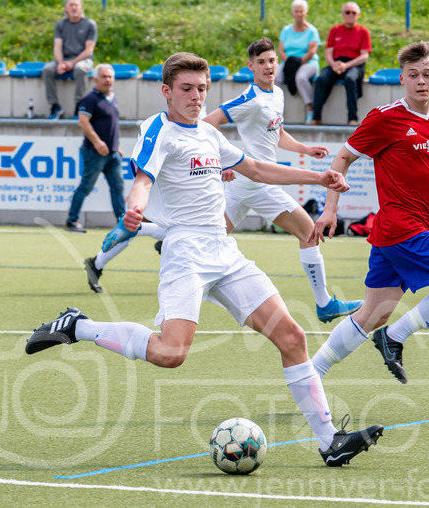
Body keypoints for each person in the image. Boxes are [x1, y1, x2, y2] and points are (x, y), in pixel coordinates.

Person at [27, 52, 384, 467]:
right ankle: (78, 326)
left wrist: (317, 176)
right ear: (166, 92)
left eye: (201, 89)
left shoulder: (208, 134)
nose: (196, 97)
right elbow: (142, 180)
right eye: (186, 89)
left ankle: (330, 442)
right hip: (186, 254)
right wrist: (134, 207)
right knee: (170, 353)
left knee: (292, 338)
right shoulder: (158, 131)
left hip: (224, 252)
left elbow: (255, 168)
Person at [84, 41, 364, 326]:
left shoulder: (277, 94)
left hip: (258, 181)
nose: (268, 66)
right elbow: (209, 121)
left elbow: (273, 139)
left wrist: (305, 154)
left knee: (203, 228)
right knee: (200, 229)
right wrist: (217, 162)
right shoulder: (248, 99)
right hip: (248, 183)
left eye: (272, 61)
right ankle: (324, 303)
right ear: (250, 66)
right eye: (262, 61)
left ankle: (117, 245)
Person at [307, 41, 429, 387]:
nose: (421, 81)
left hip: (398, 232)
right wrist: (330, 209)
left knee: (373, 313)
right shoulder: (385, 119)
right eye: (413, 75)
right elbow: (342, 158)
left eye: (427, 75)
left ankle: (311, 373)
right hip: (404, 230)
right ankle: (394, 337)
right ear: (402, 79)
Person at [65, 64, 124, 233]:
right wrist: (97, 142)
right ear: (96, 79)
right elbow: (83, 122)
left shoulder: (112, 98)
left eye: (110, 77)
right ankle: (72, 220)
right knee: (86, 186)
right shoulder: (90, 99)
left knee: (117, 187)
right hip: (94, 152)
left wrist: (116, 145)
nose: (108, 80)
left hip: (112, 153)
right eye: (104, 77)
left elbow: (112, 126)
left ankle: (123, 223)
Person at [309, 2, 370, 127]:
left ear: (358, 15)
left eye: (353, 12)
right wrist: (333, 65)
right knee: (322, 79)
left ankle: (352, 118)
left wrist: (347, 66)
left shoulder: (363, 31)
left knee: (350, 79)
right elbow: (328, 53)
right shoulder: (335, 30)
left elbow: (364, 56)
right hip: (336, 63)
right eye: (347, 12)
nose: (350, 15)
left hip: (354, 64)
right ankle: (316, 117)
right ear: (343, 14)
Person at [44, 0, 96, 120]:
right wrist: (60, 62)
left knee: (79, 69)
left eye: (76, 5)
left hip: (84, 60)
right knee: (47, 70)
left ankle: (79, 105)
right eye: (71, 5)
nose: (74, 7)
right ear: (66, 8)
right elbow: (57, 46)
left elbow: (89, 50)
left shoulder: (89, 24)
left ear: (81, 8)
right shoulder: (61, 24)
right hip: (65, 59)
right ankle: (54, 105)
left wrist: (72, 63)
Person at [274, 0, 321, 123]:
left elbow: (312, 51)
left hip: (308, 63)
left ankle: (310, 107)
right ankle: (276, 109)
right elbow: (281, 50)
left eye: (302, 11)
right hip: (288, 62)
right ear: (292, 13)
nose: (299, 14)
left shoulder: (312, 31)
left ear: (306, 13)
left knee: (300, 77)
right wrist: (290, 64)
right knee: (275, 77)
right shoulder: (286, 30)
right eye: (297, 11)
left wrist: (298, 63)